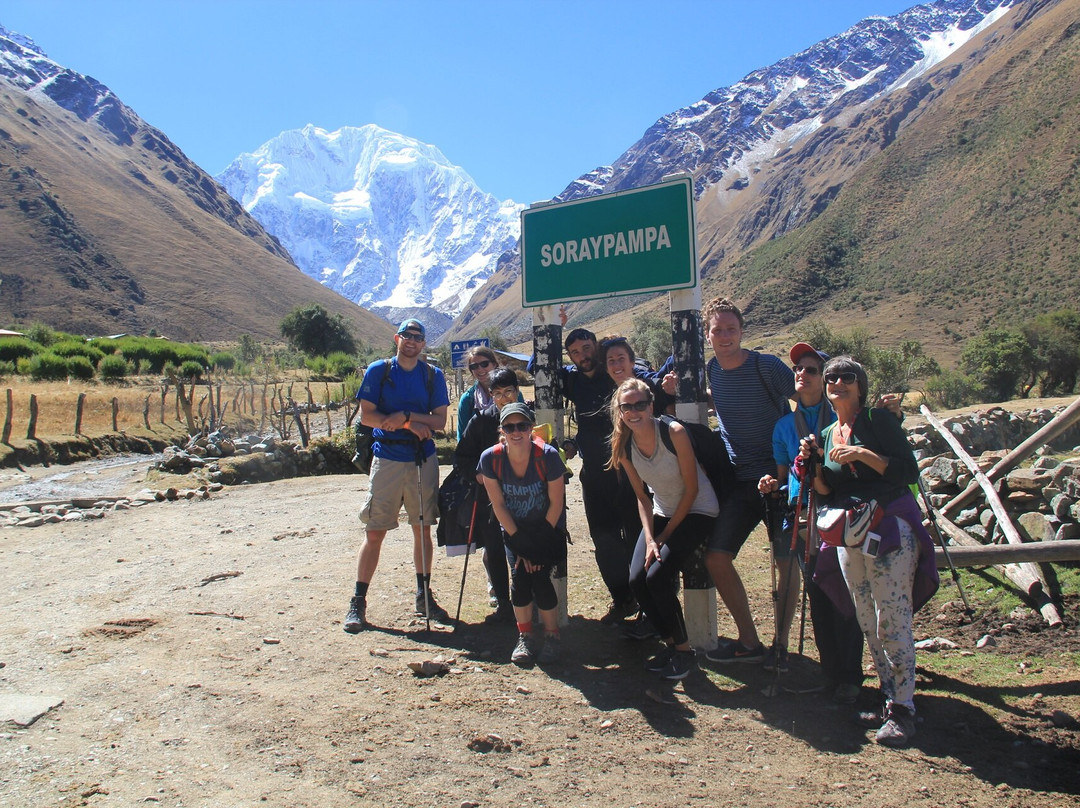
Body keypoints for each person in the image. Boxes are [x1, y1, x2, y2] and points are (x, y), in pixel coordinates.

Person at [796, 356, 939, 748]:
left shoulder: (878, 421)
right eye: (831, 377)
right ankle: (888, 696)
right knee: (866, 619)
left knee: (891, 617)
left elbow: (907, 472)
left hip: (890, 529)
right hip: (850, 535)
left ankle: (903, 708)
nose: (837, 382)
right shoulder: (828, 433)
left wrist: (861, 454)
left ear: (860, 385)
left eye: (847, 377)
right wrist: (813, 466)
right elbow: (827, 491)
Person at [758, 342, 864, 697]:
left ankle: (850, 676)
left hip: (839, 511)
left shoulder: (842, 419)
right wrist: (771, 485)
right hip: (800, 515)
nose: (802, 374)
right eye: (798, 369)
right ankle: (831, 674)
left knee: (842, 590)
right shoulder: (783, 426)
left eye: (811, 370)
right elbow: (783, 474)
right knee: (817, 590)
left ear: (826, 379)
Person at [700, 297, 796, 664]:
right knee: (717, 557)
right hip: (742, 481)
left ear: (742, 331)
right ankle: (749, 642)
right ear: (708, 335)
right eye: (717, 330)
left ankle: (781, 645)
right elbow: (721, 400)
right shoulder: (712, 369)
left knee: (786, 562)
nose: (724, 336)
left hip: (782, 478)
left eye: (731, 329)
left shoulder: (767, 366)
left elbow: (806, 400)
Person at [344, 319, 451, 632]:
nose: (412, 341)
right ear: (397, 338)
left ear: (424, 343)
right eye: (407, 335)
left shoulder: (433, 375)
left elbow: (440, 421)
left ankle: (423, 595)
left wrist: (404, 416)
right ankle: (358, 601)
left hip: (422, 459)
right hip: (388, 458)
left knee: (422, 529)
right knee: (375, 531)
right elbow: (368, 416)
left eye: (418, 337)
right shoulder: (379, 370)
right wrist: (410, 425)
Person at [608, 379, 719, 680]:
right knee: (636, 579)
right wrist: (649, 537)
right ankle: (671, 643)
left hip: (697, 510)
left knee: (656, 576)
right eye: (627, 407)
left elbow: (692, 490)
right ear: (619, 411)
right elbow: (642, 498)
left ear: (651, 405)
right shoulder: (623, 445)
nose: (633, 412)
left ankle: (684, 652)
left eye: (640, 405)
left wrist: (663, 537)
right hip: (662, 512)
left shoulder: (674, 433)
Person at [479, 403, 568, 665]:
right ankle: (525, 636)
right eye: (509, 427)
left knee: (541, 578)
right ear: (501, 430)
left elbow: (557, 502)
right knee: (519, 579)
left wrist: (538, 543)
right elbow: (498, 504)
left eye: (522, 426)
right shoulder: (490, 459)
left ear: (531, 428)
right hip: (514, 530)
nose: (516, 432)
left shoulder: (548, 456)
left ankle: (552, 636)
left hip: (547, 528)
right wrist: (520, 542)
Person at [453, 366, 522, 622]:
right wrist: (478, 476)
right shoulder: (481, 421)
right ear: (491, 395)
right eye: (498, 393)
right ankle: (503, 603)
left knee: (523, 547)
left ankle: (526, 601)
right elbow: (462, 457)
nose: (504, 398)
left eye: (509, 391)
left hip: (526, 497)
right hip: (489, 500)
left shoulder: (529, 418)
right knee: (494, 550)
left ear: (517, 391)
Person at [457, 346, 522, 440]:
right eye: (474, 366)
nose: (480, 369)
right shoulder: (468, 399)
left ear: (494, 364)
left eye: (484, 364)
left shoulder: (513, 394)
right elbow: (462, 437)